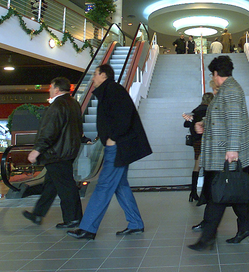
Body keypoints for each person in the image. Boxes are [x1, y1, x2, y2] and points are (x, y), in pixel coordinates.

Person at [68, 64, 153, 240]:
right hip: (118, 146)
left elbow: (124, 115)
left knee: (104, 185)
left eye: (95, 74)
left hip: (117, 146)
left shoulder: (113, 90)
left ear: (104, 75)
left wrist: (113, 137)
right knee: (120, 186)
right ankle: (135, 223)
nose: (92, 78)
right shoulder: (111, 90)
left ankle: (88, 228)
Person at [187, 56, 249, 251]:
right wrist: (203, 124)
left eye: (213, 74)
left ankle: (207, 238)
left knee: (217, 196)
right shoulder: (226, 91)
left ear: (217, 74)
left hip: (226, 154)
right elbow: (222, 117)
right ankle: (248, 227)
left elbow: (234, 121)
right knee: (235, 194)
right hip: (223, 151)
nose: (213, 77)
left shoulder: (232, 91)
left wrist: (232, 149)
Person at [22, 77, 84, 228]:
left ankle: (73, 218)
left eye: (51, 87)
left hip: (57, 153)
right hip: (68, 151)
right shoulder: (73, 103)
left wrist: (37, 150)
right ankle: (38, 214)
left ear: (57, 89)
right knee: (51, 185)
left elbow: (49, 131)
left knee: (66, 187)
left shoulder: (57, 105)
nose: (49, 90)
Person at [183, 92, 214, 202]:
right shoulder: (210, 110)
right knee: (208, 166)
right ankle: (206, 193)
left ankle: (193, 192)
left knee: (197, 165)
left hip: (196, 141)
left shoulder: (195, 110)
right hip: (208, 140)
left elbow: (186, 124)